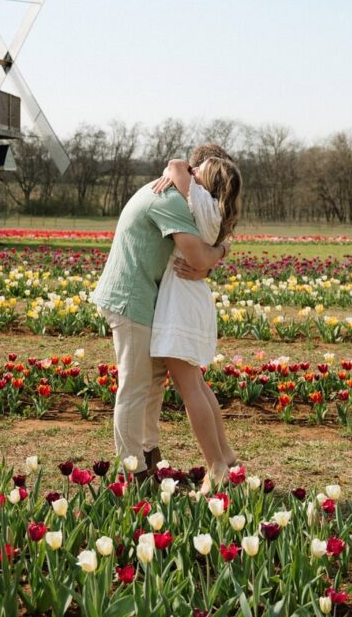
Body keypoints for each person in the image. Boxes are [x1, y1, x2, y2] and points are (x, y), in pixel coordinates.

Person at [90, 144, 233, 477]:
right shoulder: (168, 200)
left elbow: (193, 259)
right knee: (135, 385)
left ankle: (148, 452)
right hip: (131, 297)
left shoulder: (178, 198)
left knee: (153, 383)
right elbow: (197, 256)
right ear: (194, 175)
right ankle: (133, 469)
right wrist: (221, 251)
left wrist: (209, 262)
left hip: (149, 298)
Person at [150, 156, 242, 488]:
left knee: (189, 388)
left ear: (207, 181)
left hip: (181, 300)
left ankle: (215, 465)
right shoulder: (213, 212)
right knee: (197, 385)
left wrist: (176, 172)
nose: (192, 170)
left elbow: (175, 164)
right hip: (192, 295)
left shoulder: (201, 202)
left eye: (199, 169)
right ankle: (226, 456)